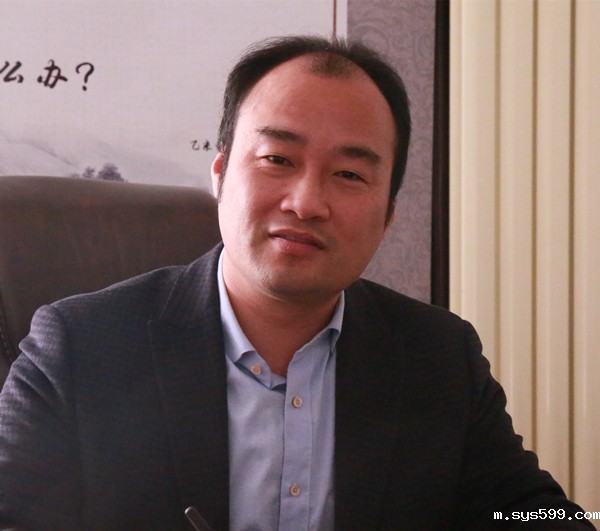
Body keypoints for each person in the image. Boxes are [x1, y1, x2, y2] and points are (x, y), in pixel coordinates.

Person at [0, 35, 594, 531]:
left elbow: (528, 512)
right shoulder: (82, 347)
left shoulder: (438, 357)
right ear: (220, 172)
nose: (307, 202)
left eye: (349, 174)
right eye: (277, 160)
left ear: (388, 214)